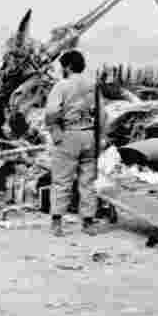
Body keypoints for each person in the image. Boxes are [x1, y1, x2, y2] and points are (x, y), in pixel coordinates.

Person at [44, 49, 104, 237]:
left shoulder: (61, 86)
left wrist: (56, 134)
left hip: (68, 135)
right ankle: (88, 222)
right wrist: (99, 137)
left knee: (61, 180)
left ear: (67, 66)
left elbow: (52, 112)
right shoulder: (92, 85)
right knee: (88, 181)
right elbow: (102, 115)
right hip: (89, 135)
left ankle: (57, 222)